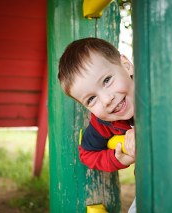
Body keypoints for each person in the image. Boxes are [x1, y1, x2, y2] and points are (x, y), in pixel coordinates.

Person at [58, 37, 136, 212]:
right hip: (154, 186)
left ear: (126, 65)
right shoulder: (103, 122)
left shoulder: (158, 88)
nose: (107, 99)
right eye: (92, 99)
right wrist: (116, 158)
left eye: (107, 80)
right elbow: (86, 153)